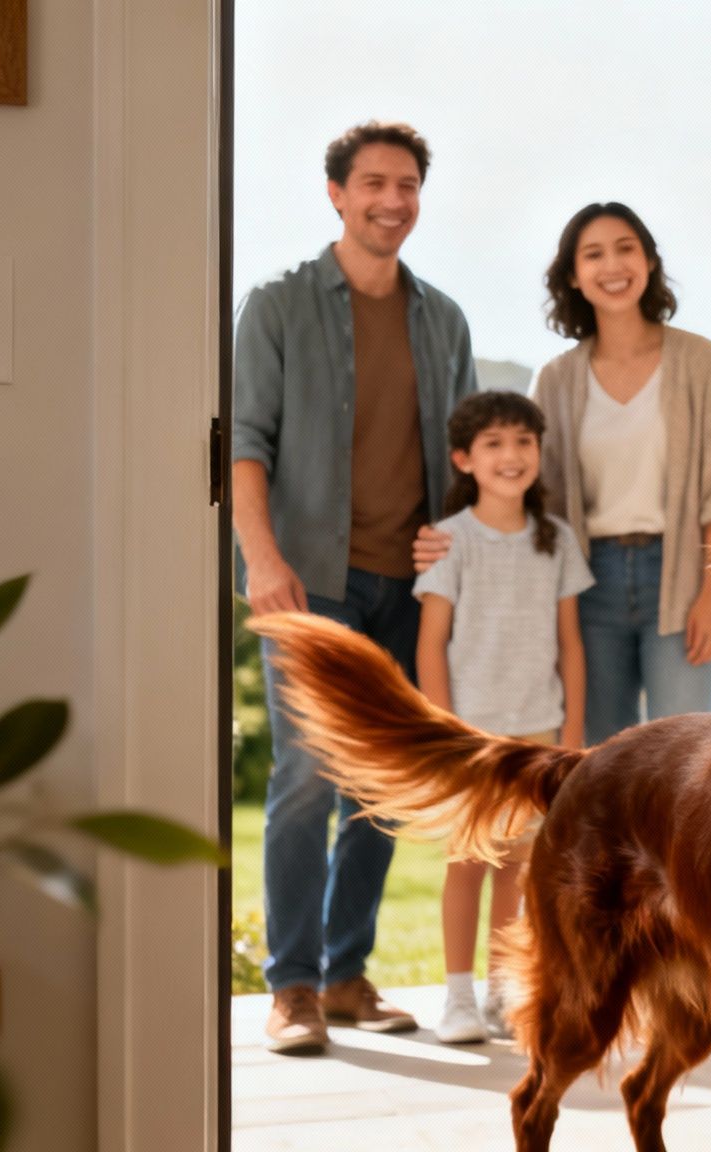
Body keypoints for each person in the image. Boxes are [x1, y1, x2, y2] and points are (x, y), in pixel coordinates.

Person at [232, 120, 478, 1055]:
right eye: (373, 183)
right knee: (302, 778)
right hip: (309, 584)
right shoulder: (278, 305)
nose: (392, 200)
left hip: (408, 592)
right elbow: (245, 446)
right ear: (336, 193)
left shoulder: (442, 317)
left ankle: (345, 975)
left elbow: (457, 460)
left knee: (383, 785)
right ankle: (290, 985)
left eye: (407, 184)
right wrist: (263, 561)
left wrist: (453, 556)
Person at [416, 202, 711, 744]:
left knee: (688, 756)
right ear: (573, 275)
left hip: (682, 576)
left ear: (649, 262)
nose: (612, 266)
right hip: (589, 580)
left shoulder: (700, 360)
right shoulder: (556, 378)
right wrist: (448, 537)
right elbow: (520, 489)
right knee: (600, 761)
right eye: (593, 254)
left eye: (625, 249)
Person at [411, 391, 590, 1043]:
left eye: (523, 442)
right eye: (493, 444)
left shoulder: (558, 541)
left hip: (539, 734)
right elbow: (431, 642)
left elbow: (570, 642)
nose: (511, 456)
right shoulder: (449, 541)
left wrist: (571, 737)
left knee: (518, 866)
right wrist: (448, 735)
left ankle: (498, 991)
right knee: (467, 863)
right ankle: (456, 997)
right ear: (464, 458)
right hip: (475, 740)